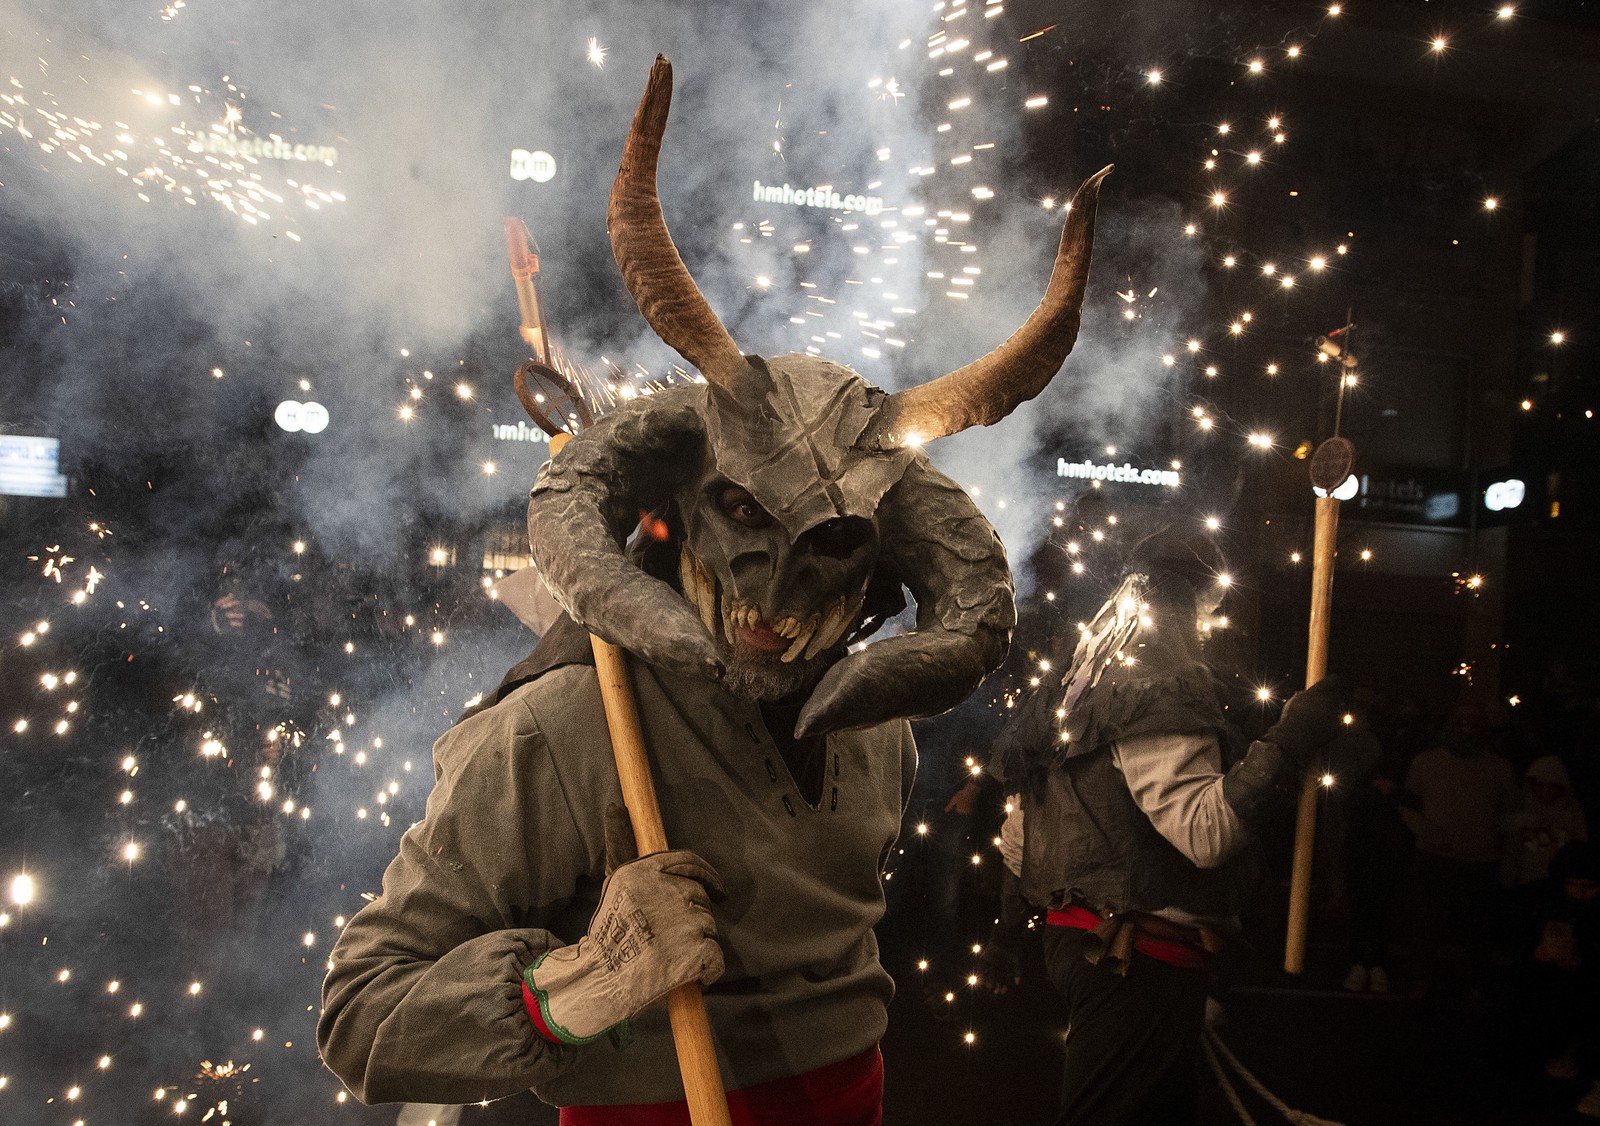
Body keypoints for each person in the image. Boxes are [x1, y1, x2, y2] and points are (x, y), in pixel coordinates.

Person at [317, 56, 1111, 1123]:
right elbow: (359, 1017)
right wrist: (569, 987)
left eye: (824, 542)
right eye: (744, 515)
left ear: (876, 558)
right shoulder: (561, 727)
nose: (774, 594)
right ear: (685, 506)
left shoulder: (876, 721)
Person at [991, 543, 1363, 1126]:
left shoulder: (1084, 679)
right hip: (1132, 960)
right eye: (1208, 609)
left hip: (1094, 950)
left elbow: (1019, 838)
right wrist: (1290, 741)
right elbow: (1204, 833)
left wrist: (1016, 927)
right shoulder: (1154, 684)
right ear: (1191, 600)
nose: (1210, 628)